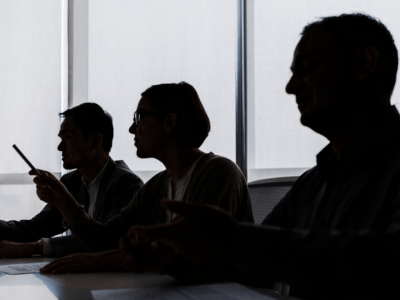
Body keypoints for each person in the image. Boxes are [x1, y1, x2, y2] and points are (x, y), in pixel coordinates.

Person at [115, 14, 400, 299]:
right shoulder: (313, 183)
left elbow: (384, 261)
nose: (291, 87)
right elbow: (254, 263)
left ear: (363, 63)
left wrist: (232, 239)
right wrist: (172, 263)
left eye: (307, 67)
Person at [35, 82, 254, 273]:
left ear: (169, 122)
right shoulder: (156, 186)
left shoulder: (220, 172)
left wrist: (97, 262)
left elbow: (197, 255)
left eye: (139, 117)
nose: (132, 128)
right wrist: (63, 199)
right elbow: (104, 240)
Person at [0, 103, 143, 258]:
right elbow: (36, 228)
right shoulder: (71, 181)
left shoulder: (127, 184)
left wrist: (36, 247)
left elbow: (106, 241)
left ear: (95, 140)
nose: (60, 147)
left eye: (67, 137)